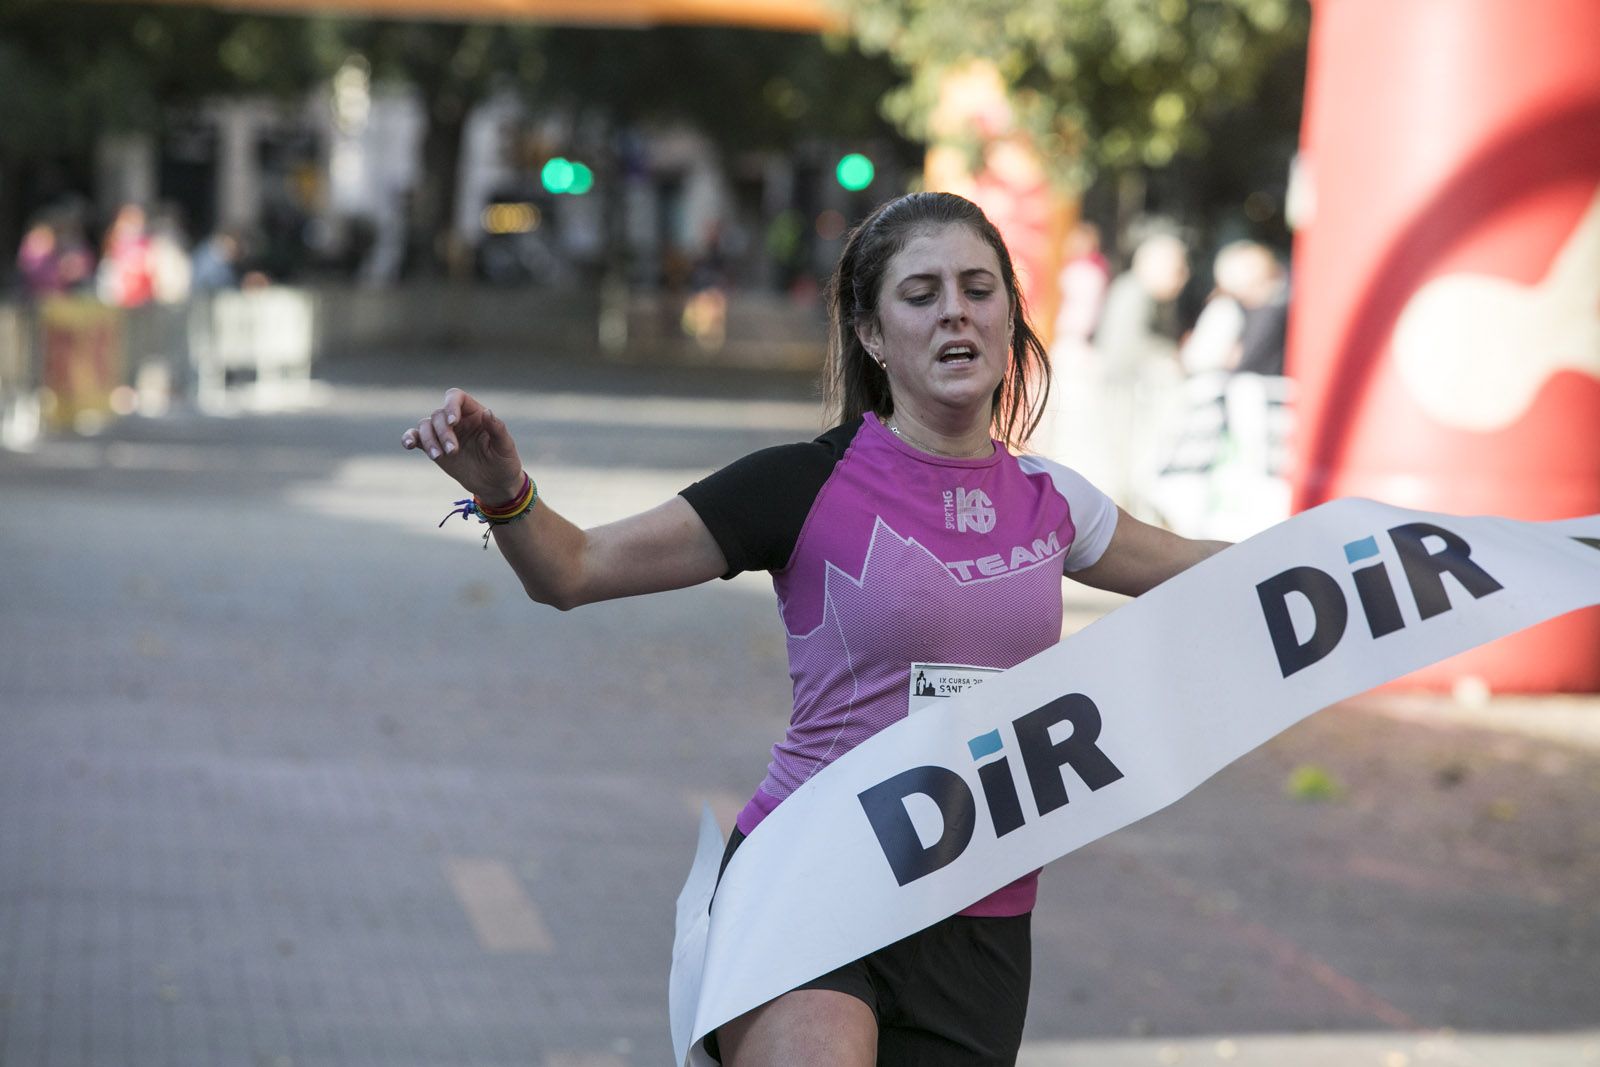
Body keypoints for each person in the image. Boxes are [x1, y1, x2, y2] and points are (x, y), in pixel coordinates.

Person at [402, 191, 1226, 1066]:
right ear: (872, 334)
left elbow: (1223, 575)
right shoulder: (801, 485)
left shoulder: (1056, 501)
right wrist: (504, 491)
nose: (955, 310)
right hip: (808, 878)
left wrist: (1339, 551)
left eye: (978, 288)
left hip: (978, 915)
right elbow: (573, 569)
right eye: (921, 294)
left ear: (1009, 316)